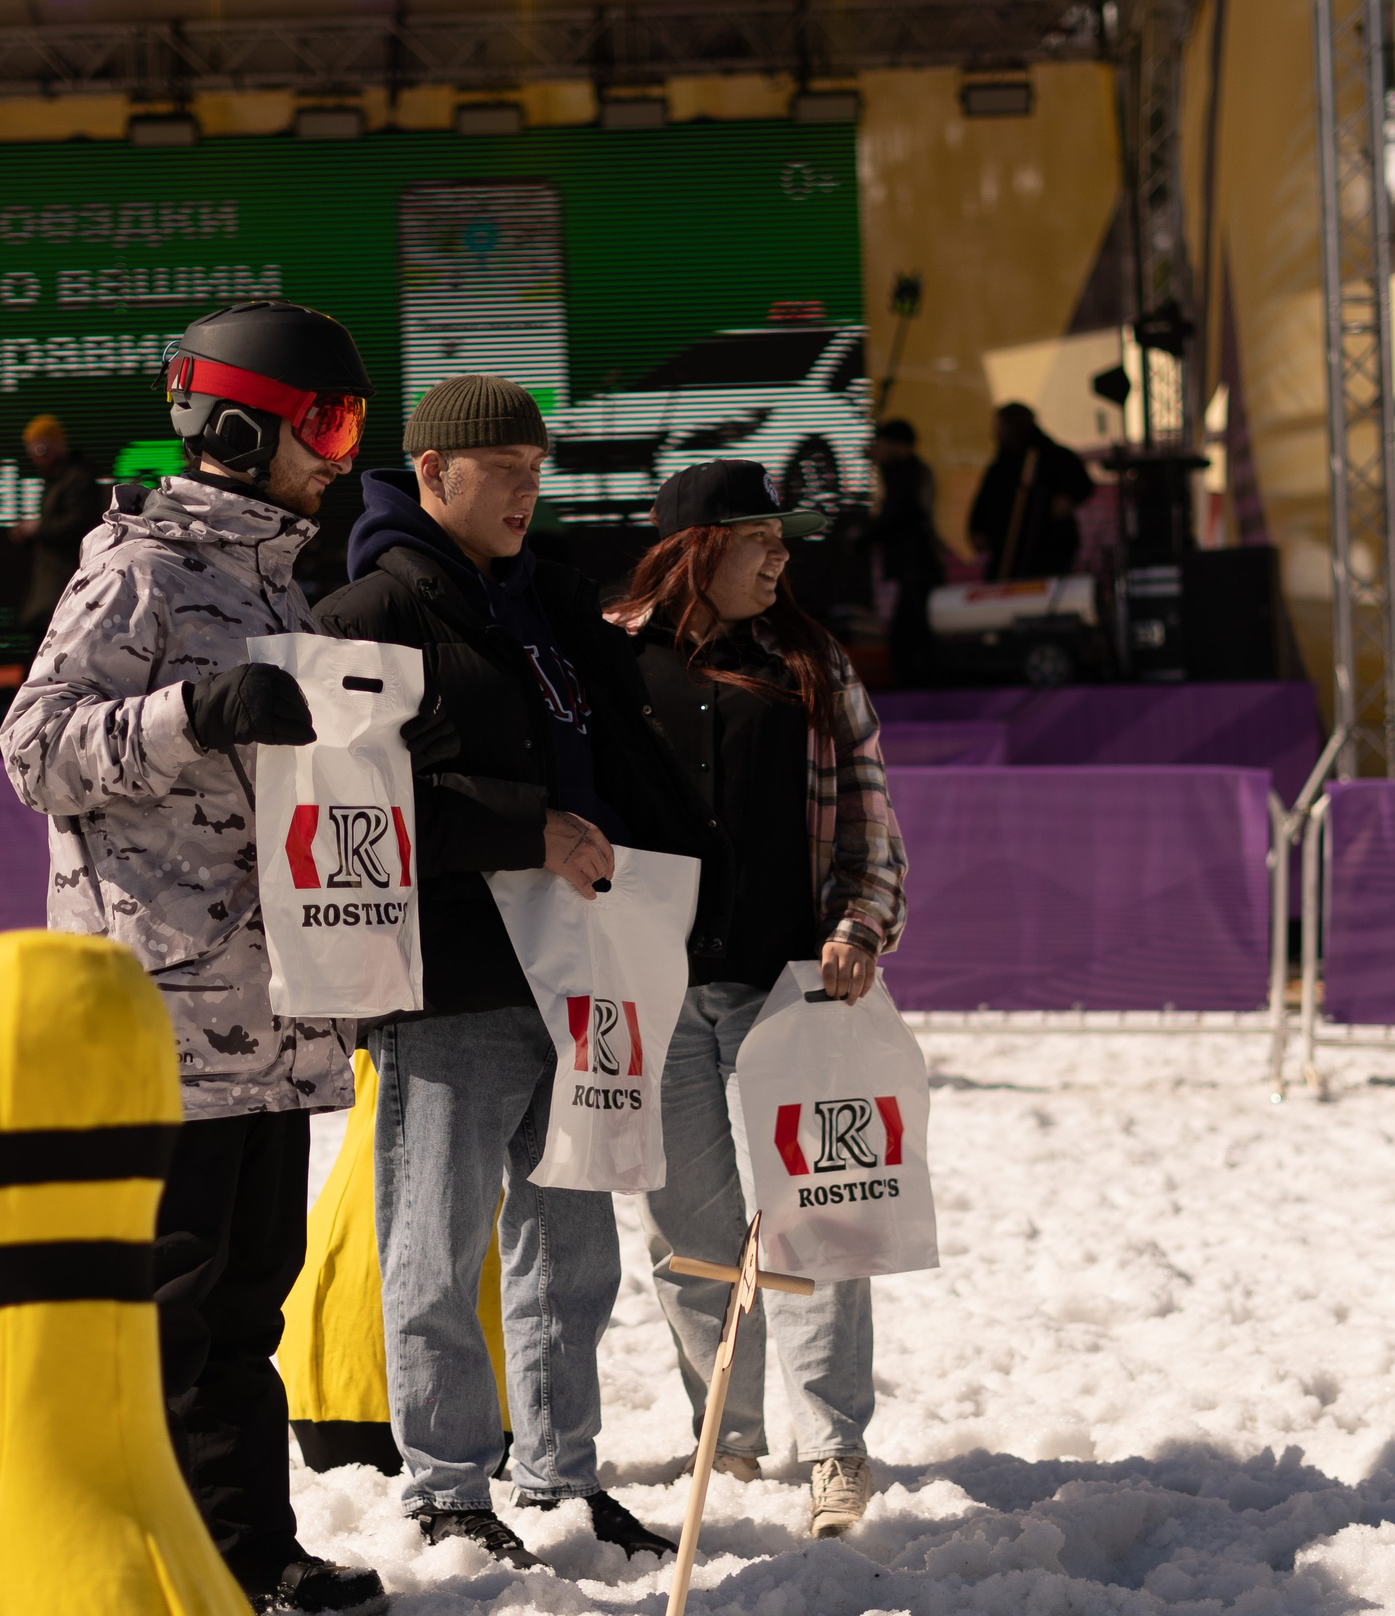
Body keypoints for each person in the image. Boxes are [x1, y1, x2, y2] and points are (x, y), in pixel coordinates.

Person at [0, 301, 385, 1614]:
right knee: (169, 1306)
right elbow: (34, 752)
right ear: (235, 426)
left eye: (353, 424)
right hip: (164, 1010)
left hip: (272, 1003)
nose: (341, 451)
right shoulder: (139, 569)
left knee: (246, 1305)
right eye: (325, 422)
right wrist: (189, 711)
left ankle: (245, 1552)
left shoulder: (285, 578)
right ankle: (157, 1558)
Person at [313, 376, 714, 1570]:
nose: (526, 493)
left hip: (581, 972)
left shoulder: (544, 603)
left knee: (574, 1245)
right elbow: (344, 807)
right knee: (434, 1245)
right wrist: (518, 829)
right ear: (433, 474)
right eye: (504, 471)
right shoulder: (364, 611)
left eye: (538, 470)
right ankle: (443, 1487)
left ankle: (561, 1476)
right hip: (452, 980)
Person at [608, 458, 908, 1542]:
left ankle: (834, 1449)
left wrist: (858, 925)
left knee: (821, 1225)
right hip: (655, 993)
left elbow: (870, 820)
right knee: (687, 1231)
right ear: (697, 548)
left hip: (795, 987)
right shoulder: (609, 659)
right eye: (758, 539)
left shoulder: (813, 661)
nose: (781, 557)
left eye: (783, 540)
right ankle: (723, 1438)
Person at [966, 402, 1095, 581]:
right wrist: (977, 529)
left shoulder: (1053, 456)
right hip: (1007, 553)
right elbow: (984, 502)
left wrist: (1068, 499)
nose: (995, 432)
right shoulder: (1001, 468)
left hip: (1048, 547)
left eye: (1000, 426)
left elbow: (1082, 484)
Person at [864, 419, 945, 684]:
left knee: (911, 634)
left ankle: (919, 686)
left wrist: (863, 536)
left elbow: (899, 514)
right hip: (916, 566)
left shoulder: (908, 475)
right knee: (912, 630)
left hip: (915, 567)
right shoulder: (910, 473)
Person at [14, 413, 107, 640]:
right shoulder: (56, 480)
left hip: (66, 584)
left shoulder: (78, 478)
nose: (37, 457)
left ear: (58, 444)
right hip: (51, 587)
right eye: (33, 451)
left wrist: (38, 529)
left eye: (41, 449)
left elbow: (79, 525)